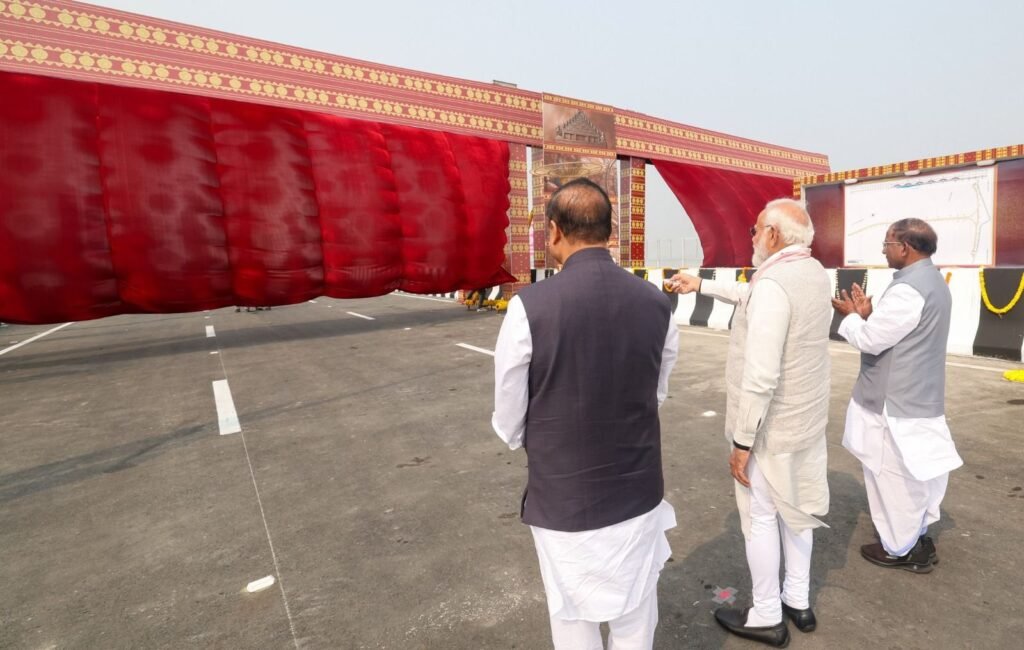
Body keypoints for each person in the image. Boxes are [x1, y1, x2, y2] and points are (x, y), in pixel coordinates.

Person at [491, 178, 679, 650]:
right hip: (636, 487)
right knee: (636, 612)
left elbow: (510, 415)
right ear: (609, 231)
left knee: (572, 619)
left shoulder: (528, 307)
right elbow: (656, 391)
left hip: (564, 495)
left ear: (553, 230)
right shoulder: (658, 303)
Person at [668, 198, 831, 648]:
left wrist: (742, 441)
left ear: (774, 235)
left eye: (756, 230)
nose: (753, 238)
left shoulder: (775, 283)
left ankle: (765, 614)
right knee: (799, 513)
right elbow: (753, 293)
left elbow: (761, 375)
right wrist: (700, 285)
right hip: (806, 421)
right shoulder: (812, 273)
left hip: (770, 431)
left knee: (761, 517)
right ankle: (797, 599)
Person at [832, 218, 962, 574]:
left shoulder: (908, 290)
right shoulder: (931, 281)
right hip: (918, 397)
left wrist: (851, 318)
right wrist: (870, 315)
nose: (884, 250)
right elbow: (900, 331)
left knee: (893, 476)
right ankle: (914, 537)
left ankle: (899, 548)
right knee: (915, 475)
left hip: (896, 402)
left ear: (905, 247)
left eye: (887, 244)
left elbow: (872, 340)